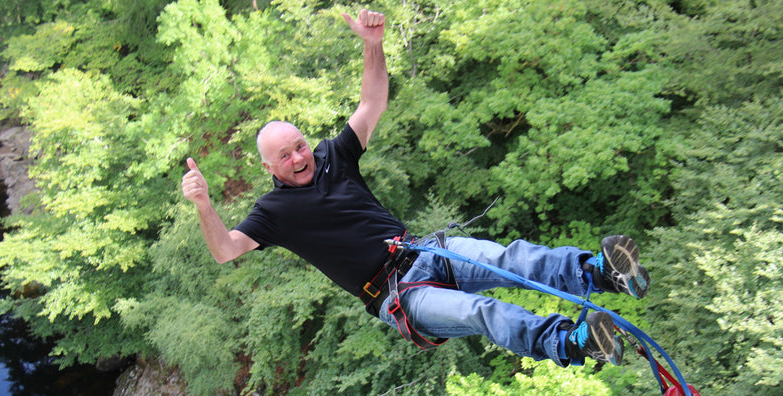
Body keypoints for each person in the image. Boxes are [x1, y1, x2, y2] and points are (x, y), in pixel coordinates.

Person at [181, 9, 650, 367]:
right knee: (479, 312)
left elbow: (373, 102)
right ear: (269, 167)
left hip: (425, 252)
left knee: (508, 258)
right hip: (396, 294)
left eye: (299, 145)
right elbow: (225, 249)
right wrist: (203, 204)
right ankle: (574, 341)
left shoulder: (333, 156)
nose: (300, 158)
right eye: (285, 156)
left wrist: (373, 45)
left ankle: (599, 273)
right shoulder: (273, 211)